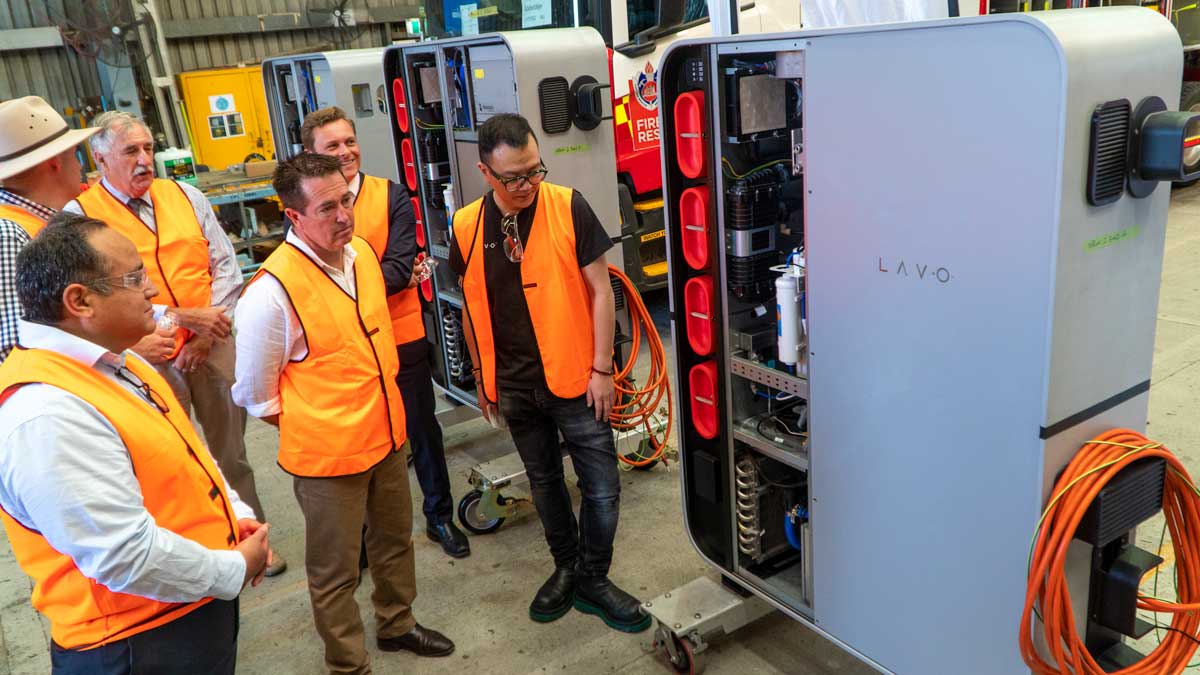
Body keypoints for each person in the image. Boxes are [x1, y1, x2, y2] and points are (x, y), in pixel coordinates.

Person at [0, 213, 271, 674]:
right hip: (135, 644)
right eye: (134, 277)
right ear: (80, 301)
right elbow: (124, 556)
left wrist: (235, 518)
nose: (151, 291)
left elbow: (188, 456)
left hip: (185, 606)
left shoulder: (118, 361)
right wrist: (231, 571)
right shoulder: (46, 413)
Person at [234, 154, 454, 673]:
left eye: (347, 200)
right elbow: (256, 395)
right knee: (335, 574)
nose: (343, 215)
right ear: (293, 217)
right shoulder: (270, 292)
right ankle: (348, 664)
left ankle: (397, 623)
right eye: (326, 207)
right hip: (328, 462)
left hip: (388, 438)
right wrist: (323, 428)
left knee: (394, 542)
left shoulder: (361, 257)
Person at [448, 113, 649, 633]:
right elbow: (469, 305)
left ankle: (594, 577)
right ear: (485, 174)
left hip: (576, 378)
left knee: (602, 486)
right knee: (544, 483)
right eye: (512, 177)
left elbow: (603, 290)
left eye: (534, 171)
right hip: (512, 384)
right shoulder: (466, 225)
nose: (526, 185)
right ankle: (566, 567)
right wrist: (479, 374)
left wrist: (602, 369)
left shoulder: (567, 205)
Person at [63, 111, 284, 576]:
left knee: (231, 454)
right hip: (144, 355)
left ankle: (256, 540)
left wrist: (203, 333)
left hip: (214, 341)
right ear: (100, 158)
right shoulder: (79, 220)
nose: (145, 161)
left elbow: (224, 265)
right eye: (131, 152)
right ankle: (196, 547)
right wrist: (172, 325)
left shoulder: (186, 194)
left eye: (148, 149)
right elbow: (93, 299)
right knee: (166, 459)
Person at [301, 106, 469, 558]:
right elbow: (309, 273)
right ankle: (359, 539)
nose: (345, 152)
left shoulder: (390, 194)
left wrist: (349, 286)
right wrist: (383, 278)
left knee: (423, 431)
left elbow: (399, 266)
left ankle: (440, 517)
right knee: (356, 443)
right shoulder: (303, 206)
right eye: (332, 146)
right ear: (312, 155)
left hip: (401, 334)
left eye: (349, 141)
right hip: (345, 347)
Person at [0, 96, 99, 363]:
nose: (80, 167)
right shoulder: (9, 235)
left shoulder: (31, 224)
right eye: (75, 155)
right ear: (54, 162)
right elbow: (13, 346)